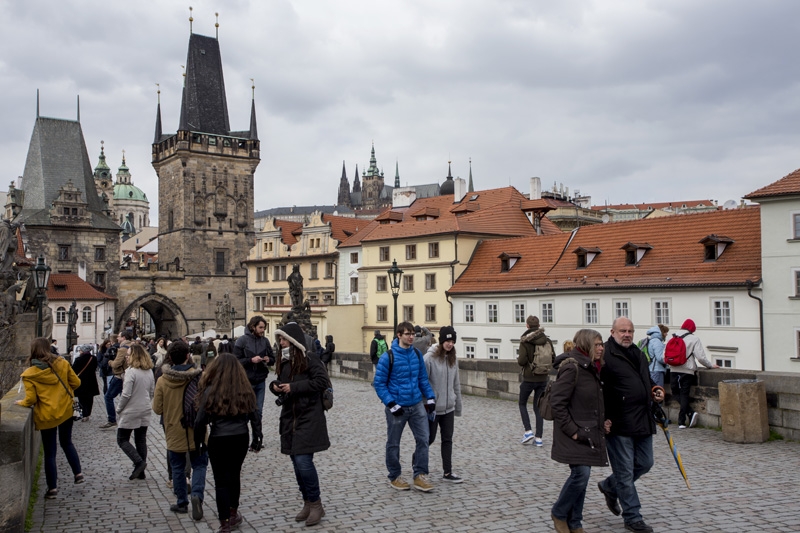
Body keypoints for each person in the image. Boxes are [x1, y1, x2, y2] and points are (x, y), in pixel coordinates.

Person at [597, 317, 665, 533]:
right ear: (612, 332)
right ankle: (633, 517)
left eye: (630, 331)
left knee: (645, 463)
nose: (627, 334)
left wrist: (654, 389)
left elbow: (643, 379)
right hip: (618, 422)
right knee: (625, 472)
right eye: (623, 331)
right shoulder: (605, 354)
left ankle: (609, 485)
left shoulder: (637, 352)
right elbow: (598, 389)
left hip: (642, 418)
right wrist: (603, 418)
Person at [268, 322, 330, 526]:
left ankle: (316, 504)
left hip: (309, 417)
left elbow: (322, 382)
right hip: (290, 417)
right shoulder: (284, 361)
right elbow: (281, 382)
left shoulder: (310, 358)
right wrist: (275, 387)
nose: (281, 342)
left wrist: (293, 387)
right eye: (280, 339)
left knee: (304, 462)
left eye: (284, 339)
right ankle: (307, 502)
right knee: (296, 464)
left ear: (294, 341)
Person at [550, 329, 611, 533]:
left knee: (582, 478)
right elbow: (557, 403)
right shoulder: (572, 368)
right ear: (586, 345)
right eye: (597, 344)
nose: (601, 347)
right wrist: (574, 431)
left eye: (602, 344)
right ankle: (559, 513)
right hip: (574, 433)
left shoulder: (593, 367)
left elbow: (592, 402)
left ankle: (575, 522)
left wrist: (604, 422)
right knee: (581, 475)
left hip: (589, 432)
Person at [195, 353, 262, 533]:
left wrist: (199, 442)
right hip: (240, 437)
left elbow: (200, 420)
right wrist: (257, 438)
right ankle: (233, 512)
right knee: (234, 474)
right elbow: (255, 414)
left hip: (218, 438)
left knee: (221, 481)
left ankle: (224, 522)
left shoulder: (211, 390)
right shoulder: (245, 389)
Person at [16, 337, 84, 498]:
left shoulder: (29, 374)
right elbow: (77, 383)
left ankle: (52, 489)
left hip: (47, 415)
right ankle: (78, 473)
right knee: (67, 442)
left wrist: (21, 402)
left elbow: (31, 399)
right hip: (66, 410)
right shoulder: (62, 363)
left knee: (50, 452)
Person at [373, 321, 437, 492]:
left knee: (423, 439)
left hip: (416, 404)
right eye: (407, 334)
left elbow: (423, 379)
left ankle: (420, 475)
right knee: (394, 443)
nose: (411, 337)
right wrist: (391, 403)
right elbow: (379, 383)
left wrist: (430, 398)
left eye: (412, 334)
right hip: (397, 407)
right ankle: (394, 476)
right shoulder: (389, 356)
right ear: (399, 335)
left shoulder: (416, 354)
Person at [153, 340, 208, 519]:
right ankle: (197, 496)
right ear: (187, 356)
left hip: (174, 430)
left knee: (177, 467)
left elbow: (157, 409)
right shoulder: (199, 377)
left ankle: (182, 503)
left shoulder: (162, 380)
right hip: (196, 429)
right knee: (199, 464)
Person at [423, 326, 463, 483]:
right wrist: (426, 403)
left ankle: (448, 472)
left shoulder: (453, 358)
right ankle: (417, 463)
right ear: (441, 341)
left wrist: (457, 405)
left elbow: (456, 383)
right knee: (429, 439)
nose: (450, 344)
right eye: (447, 340)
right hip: (433, 408)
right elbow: (422, 382)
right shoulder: (429, 359)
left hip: (448, 408)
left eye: (452, 341)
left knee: (447, 439)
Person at [669, 319, 719, 428]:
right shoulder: (694, 339)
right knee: (684, 394)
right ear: (692, 329)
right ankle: (683, 420)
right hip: (687, 370)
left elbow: (665, 355)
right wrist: (710, 365)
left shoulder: (673, 337)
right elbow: (700, 357)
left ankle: (688, 415)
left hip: (673, 369)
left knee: (675, 393)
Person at [116, 344, 155, 481]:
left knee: (122, 439)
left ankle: (139, 462)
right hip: (144, 408)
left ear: (134, 356)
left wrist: (119, 408)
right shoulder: (149, 371)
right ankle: (141, 472)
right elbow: (151, 392)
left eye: (128, 355)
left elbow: (126, 394)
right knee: (140, 439)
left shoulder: (131, 372)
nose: (126, 357)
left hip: (131, 409)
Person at [517, 315, 554, 446]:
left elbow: (521, 361)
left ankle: (528, 431)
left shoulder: (525, 341)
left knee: (522, 404)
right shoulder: (547, 340)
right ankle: (538, 438)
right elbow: (553, 358)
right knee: (538, 407)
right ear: (539, 326)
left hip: (528, 378)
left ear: (527, 325)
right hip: (543, 378)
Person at [235, 315, 274, 418]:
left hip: (260, 380)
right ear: (253, 327)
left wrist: (268, 359)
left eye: (264, 328)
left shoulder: (265, 341)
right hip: (246, 381)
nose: (263, 330)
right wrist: (251, 360)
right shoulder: (241, 341)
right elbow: (236, 362)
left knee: (258, 412)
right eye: (260, 328)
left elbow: (272, 359)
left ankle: (256, 434)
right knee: (246, 412)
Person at [100, 331, 133, 429]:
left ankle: (112, 420)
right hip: (130, 374)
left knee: (108, 397)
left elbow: (116, 364)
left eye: (119, 337)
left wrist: (110, 362)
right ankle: (128, 418)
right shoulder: (134, 346)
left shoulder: (123, 349)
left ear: (123, 337)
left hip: (120, 376)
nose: (117, 339)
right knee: (127, 397)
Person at [72, 344, 99, 422]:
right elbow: (95, 368)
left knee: (82, 399)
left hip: (81, 381)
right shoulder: (93, 358)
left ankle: (84, 414)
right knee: (90, 399)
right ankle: (88, 414)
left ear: (83, 351)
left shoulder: (78, 359)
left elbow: (73, 370)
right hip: (91, 381)